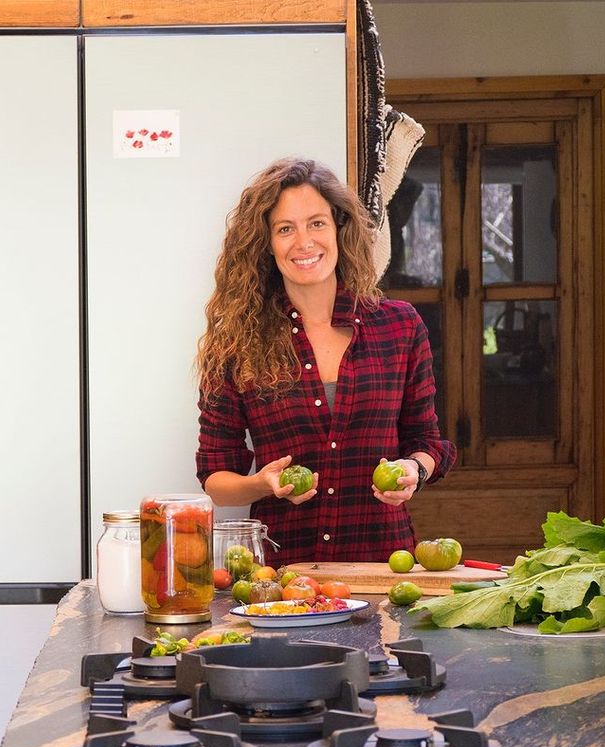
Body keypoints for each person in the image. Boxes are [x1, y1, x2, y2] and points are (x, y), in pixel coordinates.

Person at [195, 157, 456, 567]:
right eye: (285, 229)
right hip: (283, 578)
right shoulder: (235, 342)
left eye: (316, 223)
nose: (304, 242)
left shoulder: (400, 326)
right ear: (266, 243)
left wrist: (413, 470)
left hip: (383, 569)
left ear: (339, 228)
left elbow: (428, 442)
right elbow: (216, 478)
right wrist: (262, 484)